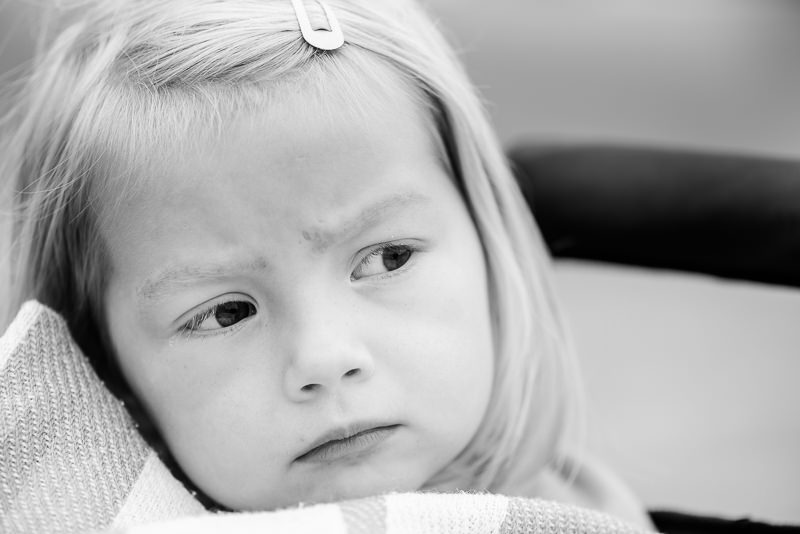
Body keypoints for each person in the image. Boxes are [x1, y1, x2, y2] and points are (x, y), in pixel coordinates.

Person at [1, 0, 651, 527]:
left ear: (489, 243)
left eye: (388, 258)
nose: (325, 357)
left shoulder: (576, 511)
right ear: (104, 370)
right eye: (226, 312)